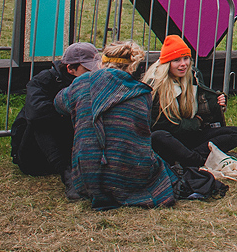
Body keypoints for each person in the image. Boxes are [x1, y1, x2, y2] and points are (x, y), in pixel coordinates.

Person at [54, 40, 177, 209]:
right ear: (132, 67)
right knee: (161, 166)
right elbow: (141, 138)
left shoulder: (80, 84)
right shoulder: (141, 93)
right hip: (129, 175)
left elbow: (59, 103)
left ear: (101, 62)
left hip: (87, 177)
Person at [144, 34, 237, 168]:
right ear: (167, 64)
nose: (183, 64)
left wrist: (218, 101)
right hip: (170, 140)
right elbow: (163, 126)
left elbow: (205, 107)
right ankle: (198, 160)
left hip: (191, 135)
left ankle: (189, 156)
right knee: (159, 136)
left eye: (186, 59)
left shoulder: (193, 75)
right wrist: (196, 123)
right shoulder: (155, 85)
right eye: (176, 60)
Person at [10, 42, 101, 176]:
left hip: (69, 147)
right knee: (39, 120)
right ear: (70, 68)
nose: (93, 73)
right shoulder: (43, 80)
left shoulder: (96, 81)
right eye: (88, 70)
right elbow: (36, 113)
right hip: (35, 155)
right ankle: (67, 174)